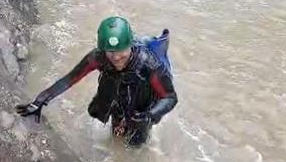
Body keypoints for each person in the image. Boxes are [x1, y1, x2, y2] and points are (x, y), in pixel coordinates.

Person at [15, 16, 177, 146]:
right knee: (116, 139)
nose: (116, 57)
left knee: (136, 146)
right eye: (110, 51)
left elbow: (170, 97)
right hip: (117, 102)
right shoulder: (98, 57)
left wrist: (149, 116)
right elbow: (70, 79)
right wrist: (41, 100)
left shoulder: (149, 65)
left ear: (130, 45)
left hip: (143, 108)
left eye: (121, 50)